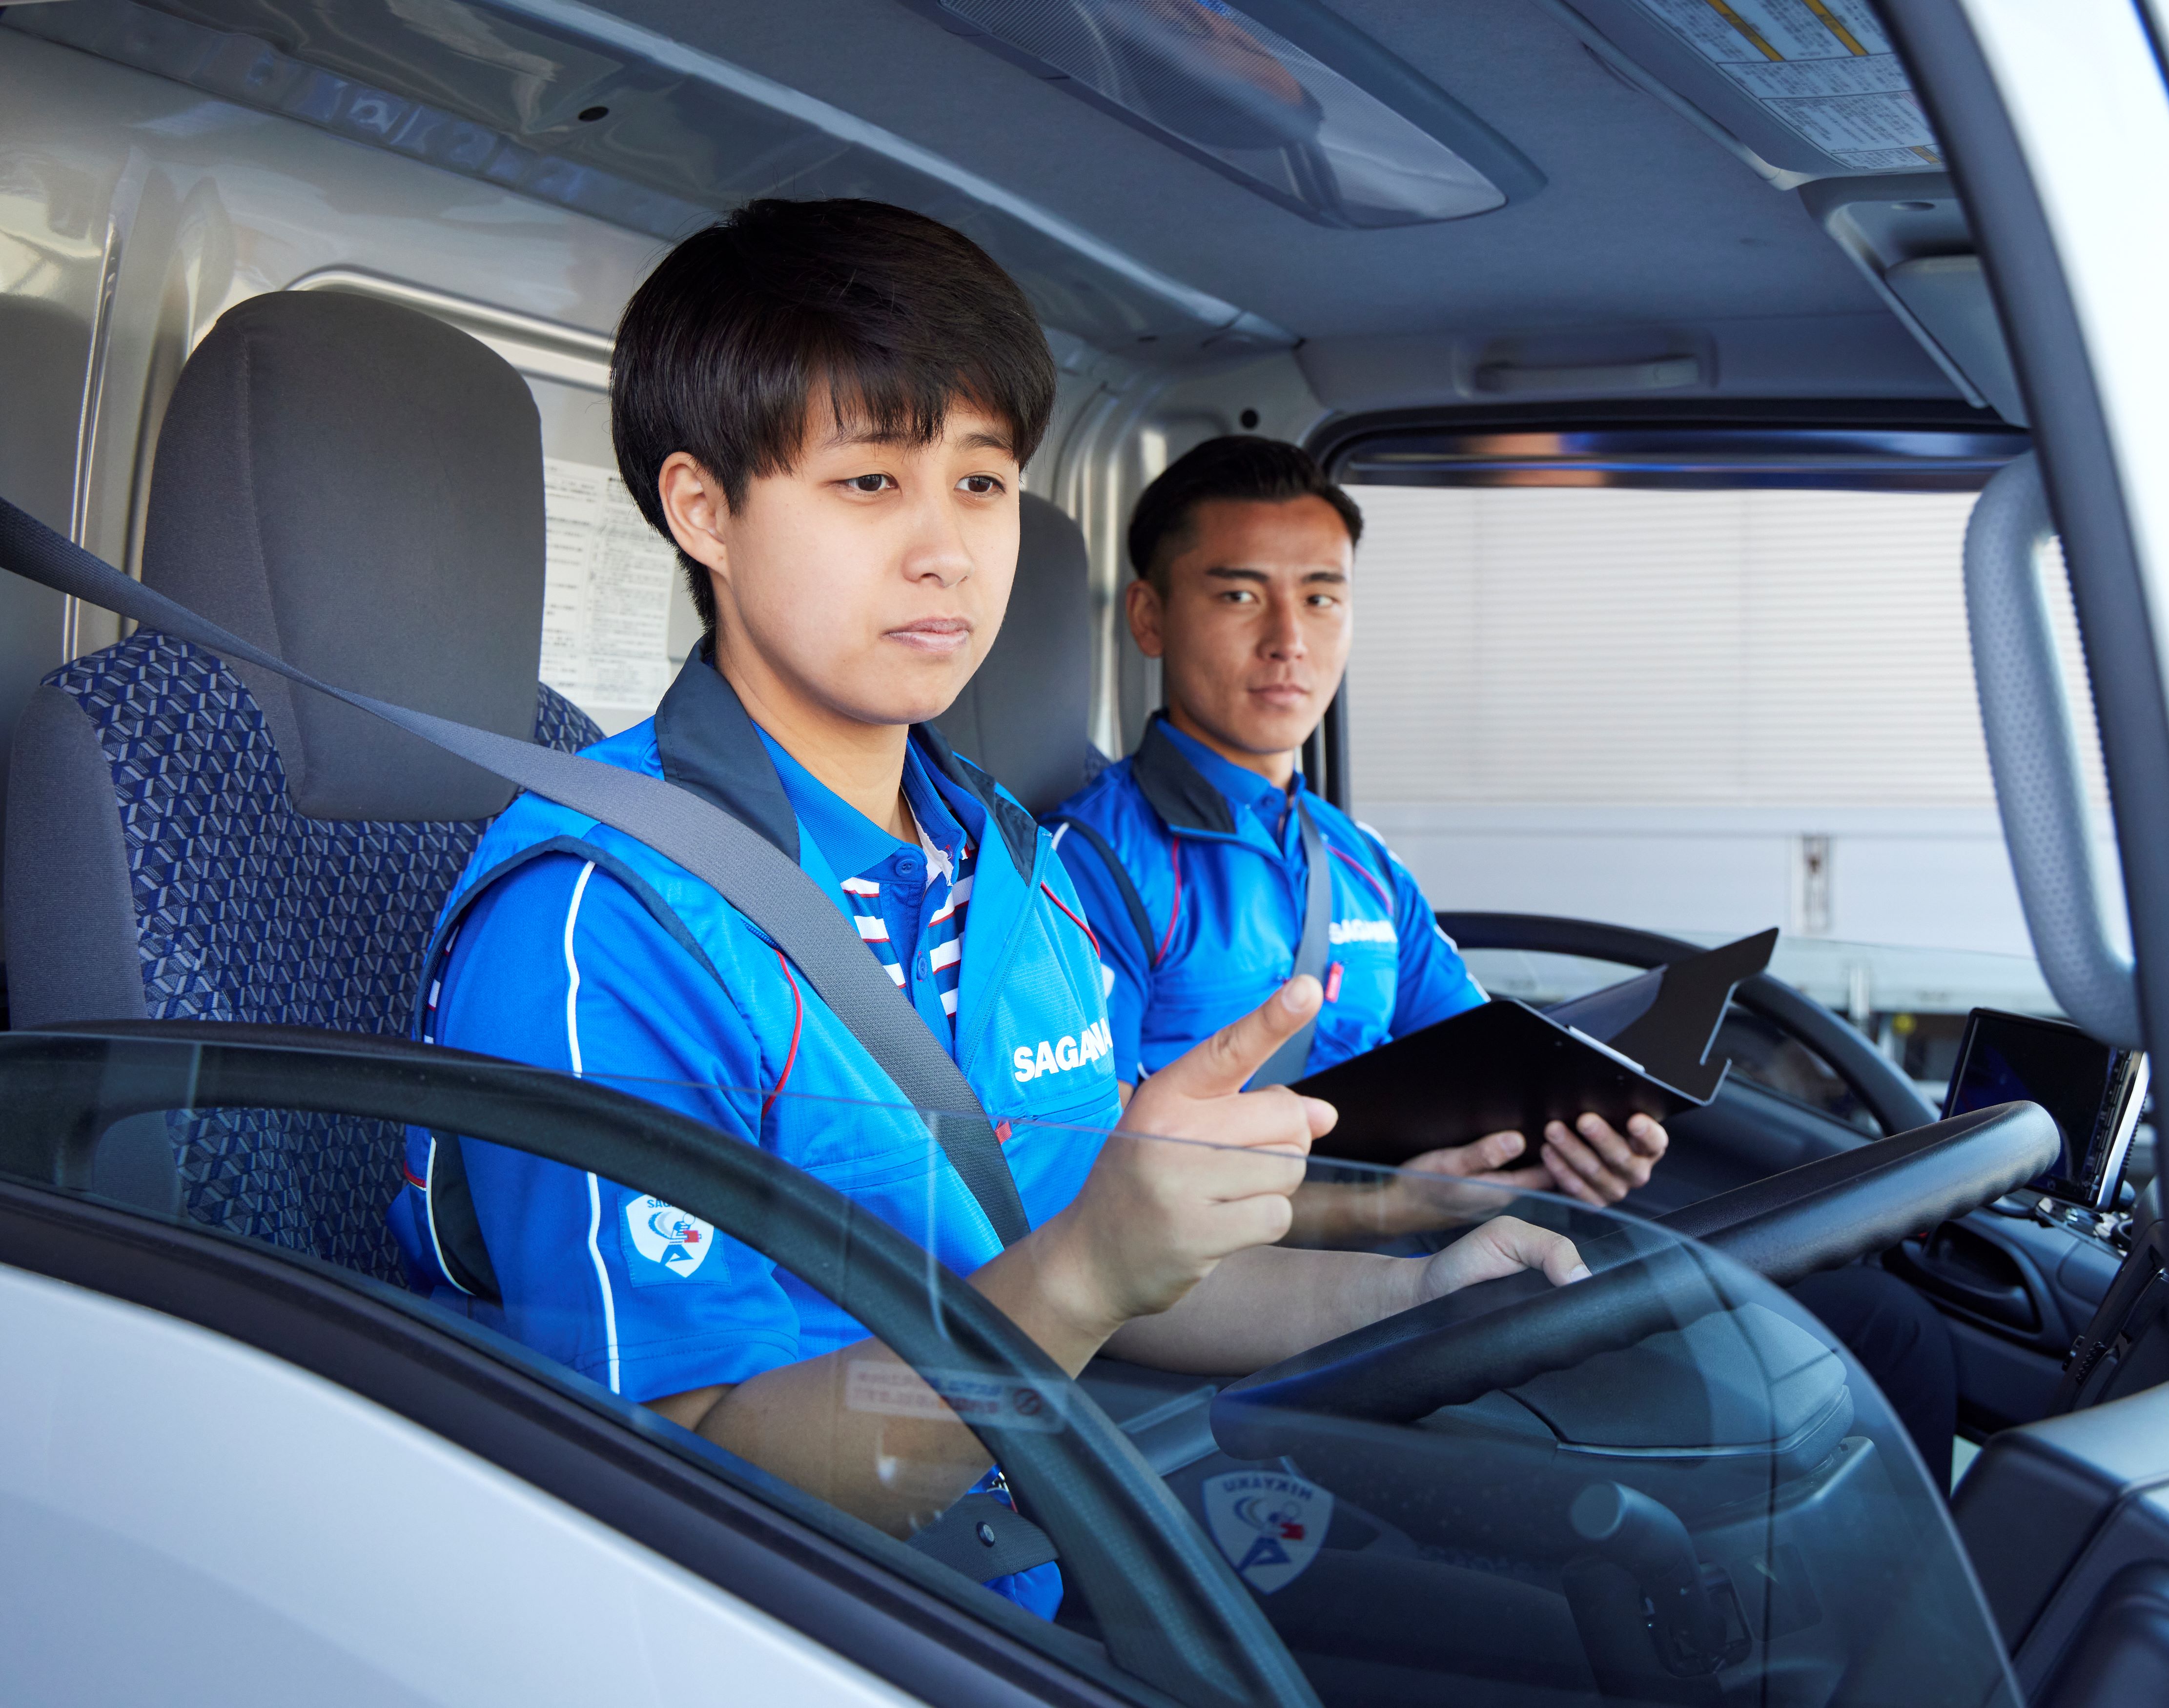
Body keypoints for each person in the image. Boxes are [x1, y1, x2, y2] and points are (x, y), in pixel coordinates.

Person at [387, 202, 1588, 1617]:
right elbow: (686, 1474)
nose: (948, 552)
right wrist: (1080, 1276)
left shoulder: (1010, 862)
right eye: (868, 482)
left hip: (1040, 1572)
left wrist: (1422, 1295)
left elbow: (1123, 1258)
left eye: (980, 481)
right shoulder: (608, 919)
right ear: (703, 509)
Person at [1048, 437, 1958, 1483]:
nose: (1289, 639)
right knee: (1836, 1361)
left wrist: (1570, 1137)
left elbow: (1482, 1059)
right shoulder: (1089, 865)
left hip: (1443, 1244)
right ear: (1150, 618)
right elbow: (1094, 1177)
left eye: (1323, 597)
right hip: (1270, 1308)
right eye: (1240, 595)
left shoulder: (1358, 861)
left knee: (1878, 1321)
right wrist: (1390, 1209)